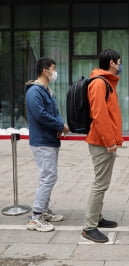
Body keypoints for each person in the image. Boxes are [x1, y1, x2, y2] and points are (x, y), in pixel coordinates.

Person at [81, 49, 124, 243]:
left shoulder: (106, 82)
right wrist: (109, 141)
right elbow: (99, 114)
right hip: (101, 142)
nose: (120, 65)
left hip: (104, 141)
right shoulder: (99, 83)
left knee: (103, 183)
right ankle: (89, 227)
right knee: (100, 184)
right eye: (119, 62)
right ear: (112, 63)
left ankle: (97, 218)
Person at [25, 57, 69, 232]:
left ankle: (43, 210)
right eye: (53, 68)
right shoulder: (34, 92)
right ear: (45, 71)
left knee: (51, 176)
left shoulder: (46, 90)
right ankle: (35, 217)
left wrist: (59, 125)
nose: (55, 72)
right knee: (48, 177)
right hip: (42, 141)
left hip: (49, 139)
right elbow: (40, 115)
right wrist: (60, 125)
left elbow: (54, 112)